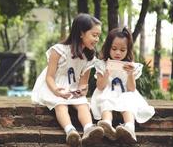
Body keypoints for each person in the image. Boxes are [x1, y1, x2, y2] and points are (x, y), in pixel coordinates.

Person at [31, 13, 104, 147]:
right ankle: (70, 131)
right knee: (61, 104)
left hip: (72, 87)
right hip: (53, 86)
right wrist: (57, 91)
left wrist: (82, 90)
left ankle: (89, 129)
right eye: (94, 35)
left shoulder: (89, 58)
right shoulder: (59, 50)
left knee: (83, 104)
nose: (97, 39)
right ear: (81, 33)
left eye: (98, 35)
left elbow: (83, 83)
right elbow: (49, 77)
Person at [90, 27, 155, 143]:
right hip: (107, 91)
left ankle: (129, 128)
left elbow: (131, 89)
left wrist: (130, 74)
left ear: (128, 50)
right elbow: (100, 87)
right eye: (114, 49)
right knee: (106, 100)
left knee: (128, 99)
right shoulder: (102, 64)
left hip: (124, 92)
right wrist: (106, 73)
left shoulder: (131, 66)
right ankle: (107, 125)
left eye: (122, 50)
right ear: (108, 47)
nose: (118, 53)